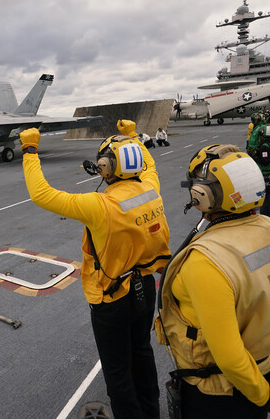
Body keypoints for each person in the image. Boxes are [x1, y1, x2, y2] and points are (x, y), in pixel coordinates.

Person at [20, 120, 171, 419]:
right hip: (145, 288)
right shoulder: (150, 187)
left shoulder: (99, 205)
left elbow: (41, 195)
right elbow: (149, 162)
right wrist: (131, 136)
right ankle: (151, 412)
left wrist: (29, 150)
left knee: (117, 371)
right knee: (142, 354)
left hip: (111, 299)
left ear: (105, 166)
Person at [156, 144, 270, 419]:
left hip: (216, 393)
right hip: (263, 374)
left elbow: (229, 357)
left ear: (202, 195)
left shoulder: (206, 260)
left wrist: (266, 397)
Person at [247, 120, 270, 218]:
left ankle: (266, 215)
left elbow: (265, 160)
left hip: (267, 174)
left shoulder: (265, 147)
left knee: (266, 196)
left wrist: (255, 156)